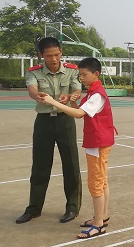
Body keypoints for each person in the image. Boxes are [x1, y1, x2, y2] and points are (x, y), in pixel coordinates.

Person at [38, 57, 116, 239]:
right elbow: (81, 112)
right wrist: (72, 102)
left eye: (84, 74)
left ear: (96, 74)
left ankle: (98, 224)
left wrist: (53, 102)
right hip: (99, 141)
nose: (81, 78)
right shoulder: (93, 92)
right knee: (102, 181)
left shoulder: (97, 95)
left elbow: (80, 113)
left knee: (96, 183)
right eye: (80, 74)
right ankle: (102, 216)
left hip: (97, 143)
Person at [15, 37, 83, 224]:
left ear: (61, 52)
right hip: (43, 122)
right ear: (41, 55)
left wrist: (70, 96)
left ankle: (72, 208)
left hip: (65, 121)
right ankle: (33, 209)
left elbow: (77, 90)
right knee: (40, 166)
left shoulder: (72, 70)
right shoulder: (34, 72)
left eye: (57, 55)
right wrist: (36, 95)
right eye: (49, 56)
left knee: (71, 164)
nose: (53, 59)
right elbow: (31, 88)